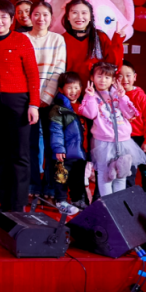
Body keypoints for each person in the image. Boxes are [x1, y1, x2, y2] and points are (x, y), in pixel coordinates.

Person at [0, 0, 40, 213]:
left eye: (4, 17)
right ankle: (4, 202)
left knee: (20, 153)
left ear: (12, 19)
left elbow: (33, 74)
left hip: (18, 102)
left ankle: (18, 204)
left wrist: (34, 104)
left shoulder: (21, 40)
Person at [78, 62, 146, 197]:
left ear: (113, 79)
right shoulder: (92, 95)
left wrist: (122, 97)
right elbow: (90, 114)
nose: (103, 80)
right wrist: (90, 96)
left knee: (121, 174)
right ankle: (108, 205)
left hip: (124, 141)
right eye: (99, 76)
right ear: (92, 78)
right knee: (105, 175)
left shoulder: (117, 94)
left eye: (107, 77)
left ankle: (118, 205)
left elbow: (130, 114)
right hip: (103, 142)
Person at [26, 1, 66, 201]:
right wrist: (33, 99)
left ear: (51, 18)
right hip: (28, 100)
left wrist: (45, 97)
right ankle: (32, 183)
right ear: (30, 16)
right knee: (30, 144)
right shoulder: (22, 38)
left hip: (51, 100)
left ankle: (51, 187)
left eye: (45, 15)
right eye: (36, 14)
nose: (40, 19)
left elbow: (59, 69)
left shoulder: (57, 39)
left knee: (53, 145)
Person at [49, 72, 89, 215]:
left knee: (78, 178)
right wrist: (59, 148)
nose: (74, 91)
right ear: (61, 89)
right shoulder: (58, 109)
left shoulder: (83, 106)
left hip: (80, 152)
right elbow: (56, 130)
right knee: (61, 177)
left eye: (76, 87)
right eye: (69, 88)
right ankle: (61, 201)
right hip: (64, 152)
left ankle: (77, 200)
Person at [119, 61, 146, 202]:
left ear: (135, 77)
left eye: (128, 75)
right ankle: (129, 195)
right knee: (128, 168)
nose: (124, 79)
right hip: (126, 139)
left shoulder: (140, 96)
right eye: (119, 76)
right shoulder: (115, 96)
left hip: (142, 138)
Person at [61, 0, 124, 84]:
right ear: (68, 17)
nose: (79, 17)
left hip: (97, 89)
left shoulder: (100, 36)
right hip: (70, 89)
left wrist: (117, 41)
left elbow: (113, 65)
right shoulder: (60, 39)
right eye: (75, 12)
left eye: (84, 13)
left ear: (90, 16)